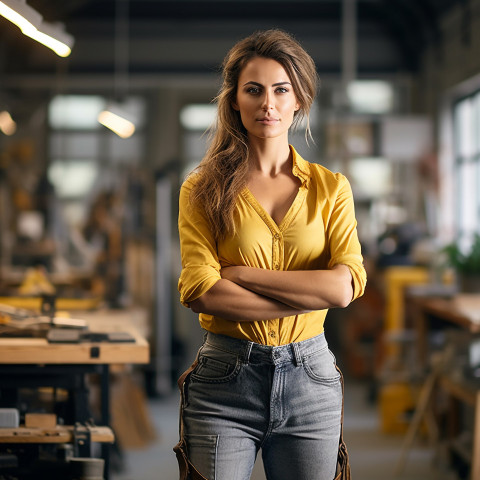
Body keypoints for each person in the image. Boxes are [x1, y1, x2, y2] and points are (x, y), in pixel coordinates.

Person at [177, 29, 366, 480]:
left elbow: (345, 286)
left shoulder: (330, 188)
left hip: (311, 379)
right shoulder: (202, 189)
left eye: (281, 90)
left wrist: (241, 274)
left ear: (299, 99)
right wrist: (308, 294)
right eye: (254, 90)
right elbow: (202, 290)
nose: (268, 103)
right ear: (235, 101)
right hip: (224, 379)